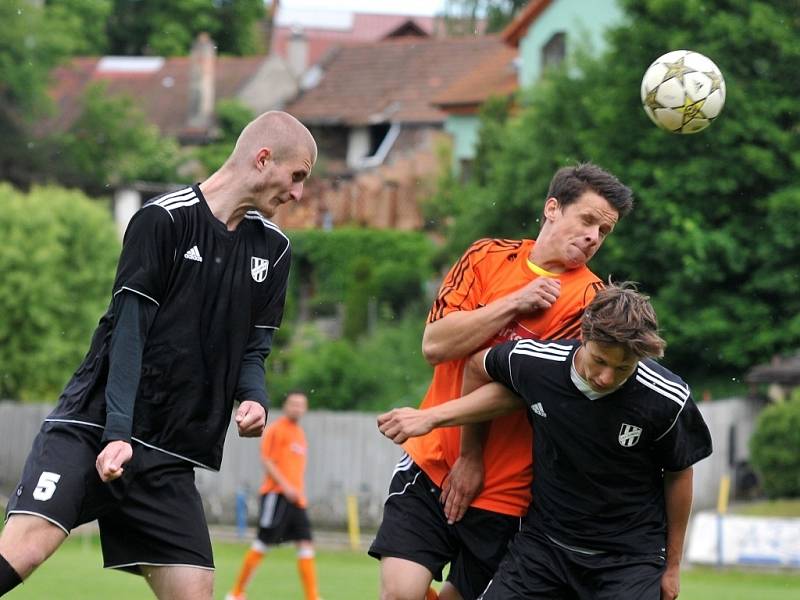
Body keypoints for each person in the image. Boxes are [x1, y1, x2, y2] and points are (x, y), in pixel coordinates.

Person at [0, 111, 317, 599]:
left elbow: (255, 346)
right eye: (297, 176)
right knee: (22, 554)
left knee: (195, 591)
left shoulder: (273, 251)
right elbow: (129, 332)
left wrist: (253, 396)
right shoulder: (162, 220)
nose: (298, 193)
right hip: (93, 428)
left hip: (168, 456)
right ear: (262, 159)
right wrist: (117, 434)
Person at [368, 163, 634, 600]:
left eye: (604, 231)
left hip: (507, 490)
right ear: (552, 208)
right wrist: (515, 302)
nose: (593, 237)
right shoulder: (486, 256)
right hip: (432, 463)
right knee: (400, 593)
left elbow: (521, 391)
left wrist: (458, 444)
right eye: (587, 220)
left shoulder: (591, 302)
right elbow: (436, 344)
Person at [378, 283, 713, 600]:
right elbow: (477, 367)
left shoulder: (668, 398)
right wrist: (466, 448)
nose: (606, 377)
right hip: (544, 547)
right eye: (599, 361)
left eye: (623, 368)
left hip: (628, 559)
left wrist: (672, 566)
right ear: (584, 335)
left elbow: (679, 474)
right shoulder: (537, 364)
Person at [226, 390, 321, 600]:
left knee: (305, 544)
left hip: (298, 500)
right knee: (262, 541)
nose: (297, 408)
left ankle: (312, 597)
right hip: (276, 495)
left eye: (301, 404)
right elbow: (267, 460)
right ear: (286, 405)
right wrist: (286, 486)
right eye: (293, 403)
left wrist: (295, 490)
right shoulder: (276, 429)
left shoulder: (300, 434)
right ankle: (236, 593)